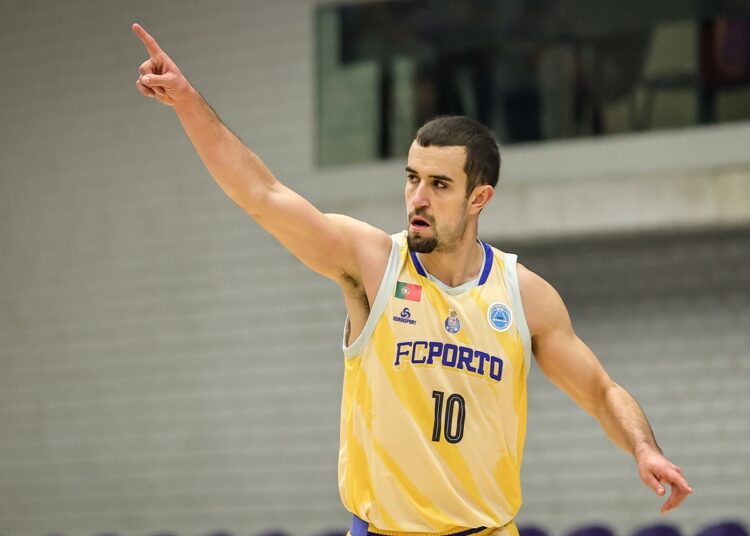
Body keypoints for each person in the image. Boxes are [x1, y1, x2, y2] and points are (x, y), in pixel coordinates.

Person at [132, 22, 692, 535]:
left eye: (440, 185)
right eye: (412, 178)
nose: (417, 199)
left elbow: (600, 392)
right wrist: (186, 102)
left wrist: (643, 448)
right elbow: (263, 195)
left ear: (480, 198)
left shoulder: (524, 295)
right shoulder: (372, 263)